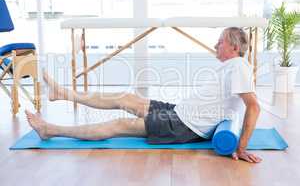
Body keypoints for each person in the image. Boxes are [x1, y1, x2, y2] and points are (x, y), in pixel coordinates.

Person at [26, 27, 262, 163]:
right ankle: (63, 93)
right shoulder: (232, 66)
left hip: (183, 125)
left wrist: (241, 147)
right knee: (124, 97)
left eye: (220, 41)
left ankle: (51, 130)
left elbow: (253, 107)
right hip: (178, 112)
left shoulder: (239, 66)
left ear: (233, 47)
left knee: (120, 124)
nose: (215, 44)